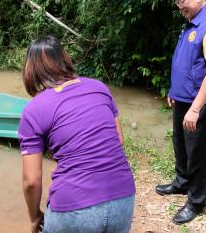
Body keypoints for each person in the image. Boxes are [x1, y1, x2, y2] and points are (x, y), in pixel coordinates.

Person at [18, 35, 136, 233]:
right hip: (123, 197)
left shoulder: (34, 109)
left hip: (73, 208)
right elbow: (119, 140)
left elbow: (31, 181)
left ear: (31, 69)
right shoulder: (100, 88)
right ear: (65, 57)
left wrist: (34, 216)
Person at [156, 0, 206, 224]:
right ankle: (182, 182)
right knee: (181, 144)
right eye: (177, 3)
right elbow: (186, 61)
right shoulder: (190, 22)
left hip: (201, 103)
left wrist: (196, 108)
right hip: (183, 98)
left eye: (182, 2)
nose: (180, 7)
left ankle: (196, 201)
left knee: (198, 152)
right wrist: (175, 90)